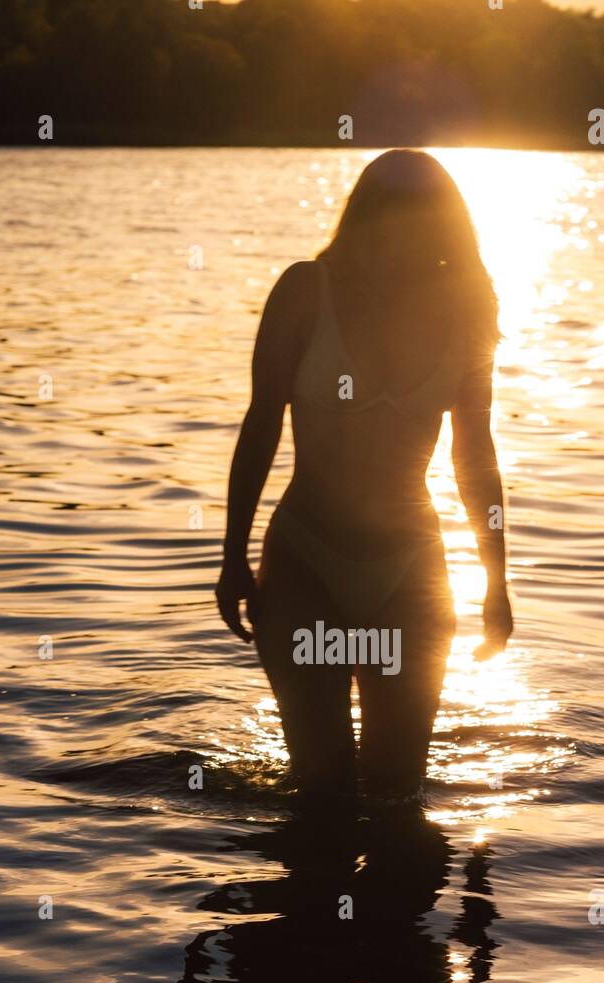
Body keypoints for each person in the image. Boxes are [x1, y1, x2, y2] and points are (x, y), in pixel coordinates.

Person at [216, 149, 512, 797]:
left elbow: (475, 455)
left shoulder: (466, 309)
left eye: (420, 223)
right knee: (319, 788)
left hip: (410, 571)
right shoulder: (303, 291)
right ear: (362, 216)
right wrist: (232, 555)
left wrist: (496, 580)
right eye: (386, 217)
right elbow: (261, 421)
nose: (400, 238)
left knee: (397, 790)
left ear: (444, 229)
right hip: (303, 559)